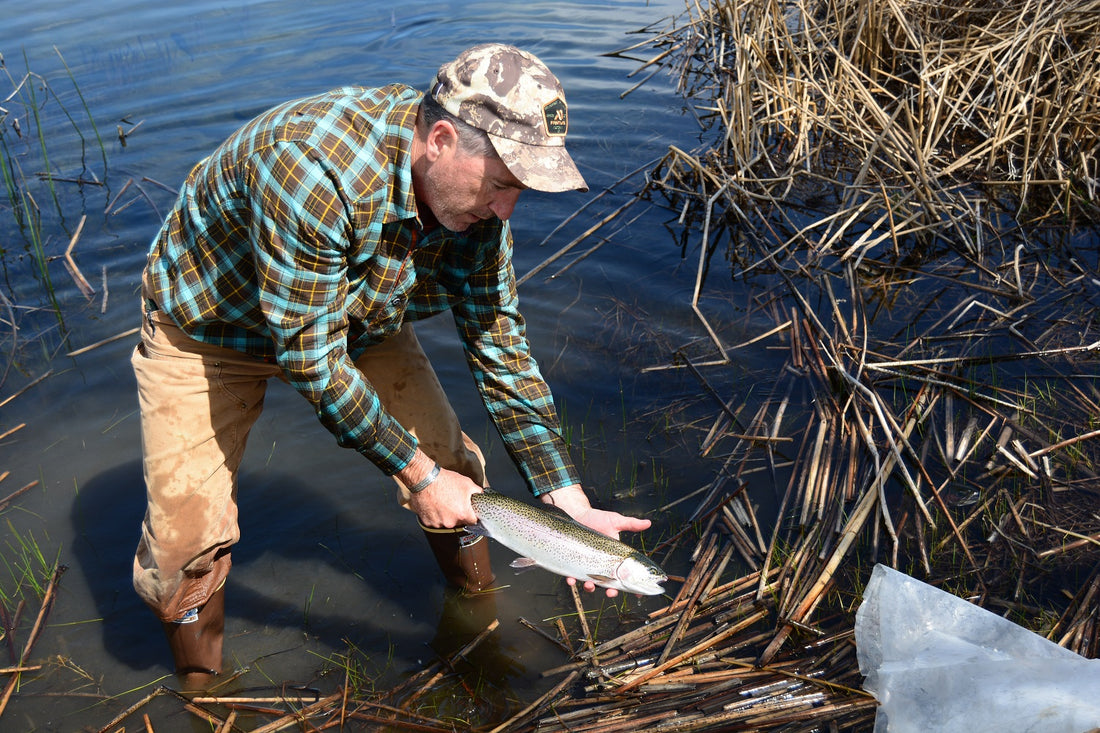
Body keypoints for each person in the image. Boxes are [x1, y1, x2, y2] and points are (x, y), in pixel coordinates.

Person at [130, 43, 652, 690]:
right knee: (186, 549)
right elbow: (313, 361)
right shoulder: (311, 169)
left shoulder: (478, 208)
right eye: (500, 184)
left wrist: (564, 496)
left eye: (517, 191)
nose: (506, 210)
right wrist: (418, 476)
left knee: (457, 469)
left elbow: (498, 342)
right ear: (439, 139)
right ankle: (204, 695)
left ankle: (478, 616)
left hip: (354, 312)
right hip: (212, 328)